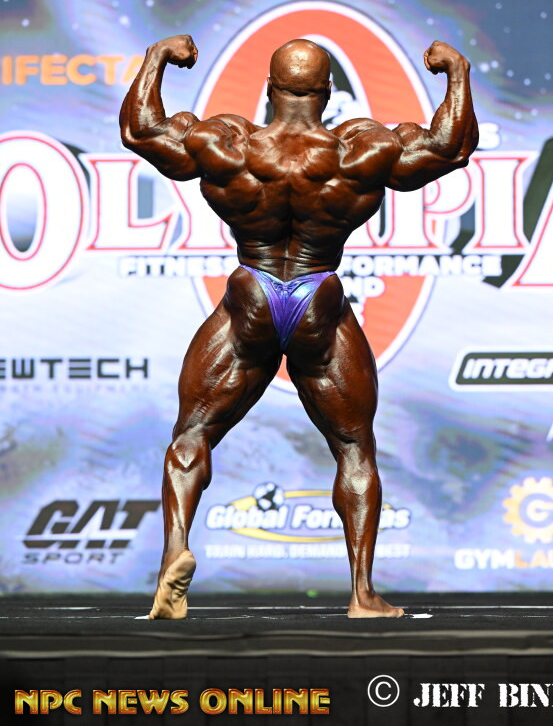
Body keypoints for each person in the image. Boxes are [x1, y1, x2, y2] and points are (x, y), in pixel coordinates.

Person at [119, 34, 478, 619]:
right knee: (353, 447)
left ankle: (174, 556)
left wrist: (157, 57)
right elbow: (450, 148)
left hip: (252, 295)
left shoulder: (228, 144)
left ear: (269, 87)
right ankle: (362, 594)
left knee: (192, 434)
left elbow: (141, 131)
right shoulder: (359, 150)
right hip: (317, 299)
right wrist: (455, 71)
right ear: (329, 90)